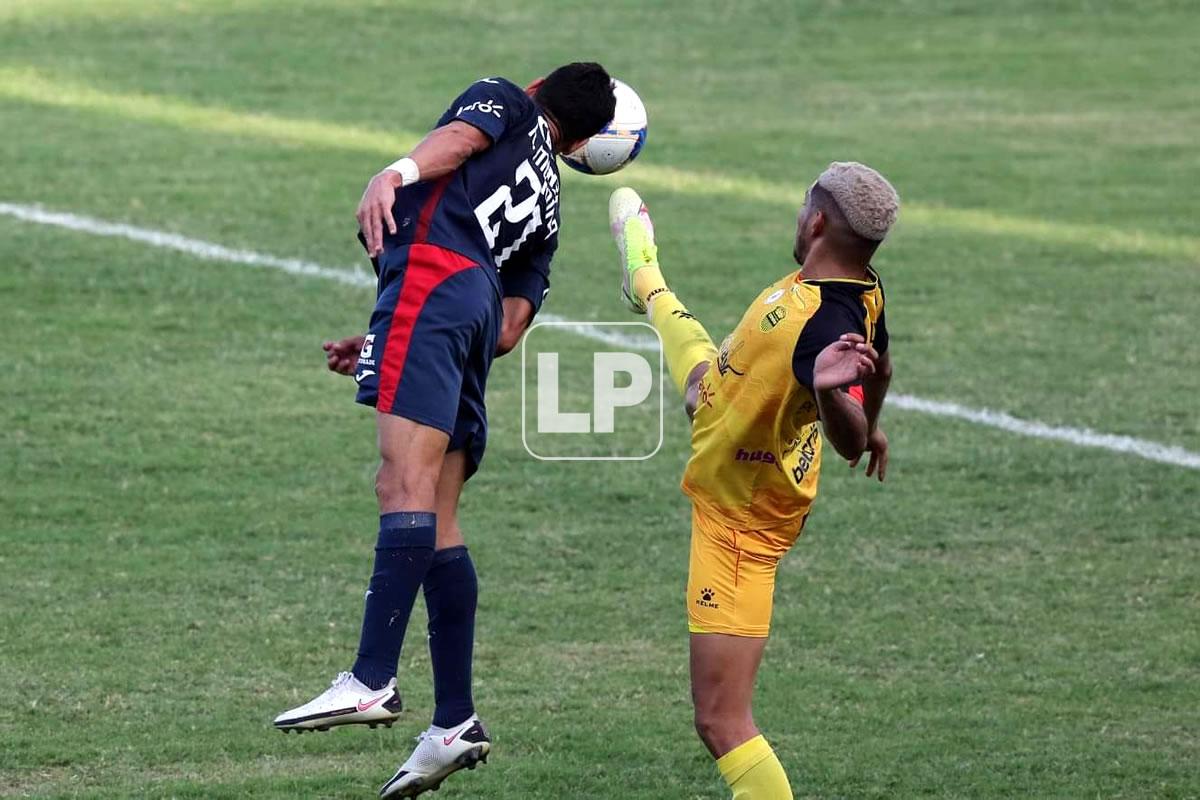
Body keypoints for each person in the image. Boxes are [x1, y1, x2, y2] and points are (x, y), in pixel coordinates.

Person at [273, 63, 615, 799]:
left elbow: (458, 139)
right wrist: (391, 346)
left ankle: (370, 678)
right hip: (475, 311)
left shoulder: (506, 101)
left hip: (428, 283)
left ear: (540, 86)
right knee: (438, 513)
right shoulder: (552, 213)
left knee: (400, 483)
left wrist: (391, 173)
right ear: (581, 140)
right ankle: (454, 722)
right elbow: (510, 329)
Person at [607, 162, 898, 799]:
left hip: (741, 521)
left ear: (815, 221)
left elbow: (845, 438)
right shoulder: (862, 288)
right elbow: (882, 364)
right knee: (701, 380)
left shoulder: (821, 329)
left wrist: (838, 408)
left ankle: (647, 280)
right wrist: (872, 418)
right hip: (728, 409)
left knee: (721, 720)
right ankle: (646, 278)